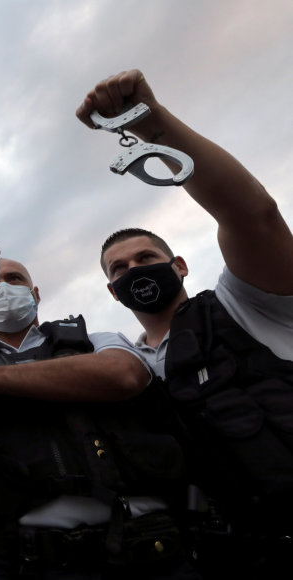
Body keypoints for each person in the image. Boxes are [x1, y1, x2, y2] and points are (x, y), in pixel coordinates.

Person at [83, 69, 293, 577]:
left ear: (178, 266)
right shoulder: (121, 371)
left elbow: (254, 215)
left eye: (147, 257)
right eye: (121, 269)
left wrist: (153, 125)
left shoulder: (246, 305)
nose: (135, 270)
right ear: (113, 291)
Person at [0, 211, 197, 580]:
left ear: (35, 293)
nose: (3, 288)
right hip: (32, 563)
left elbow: (124, 374)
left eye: (14, 279)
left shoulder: (93, 340)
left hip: (144, 550)